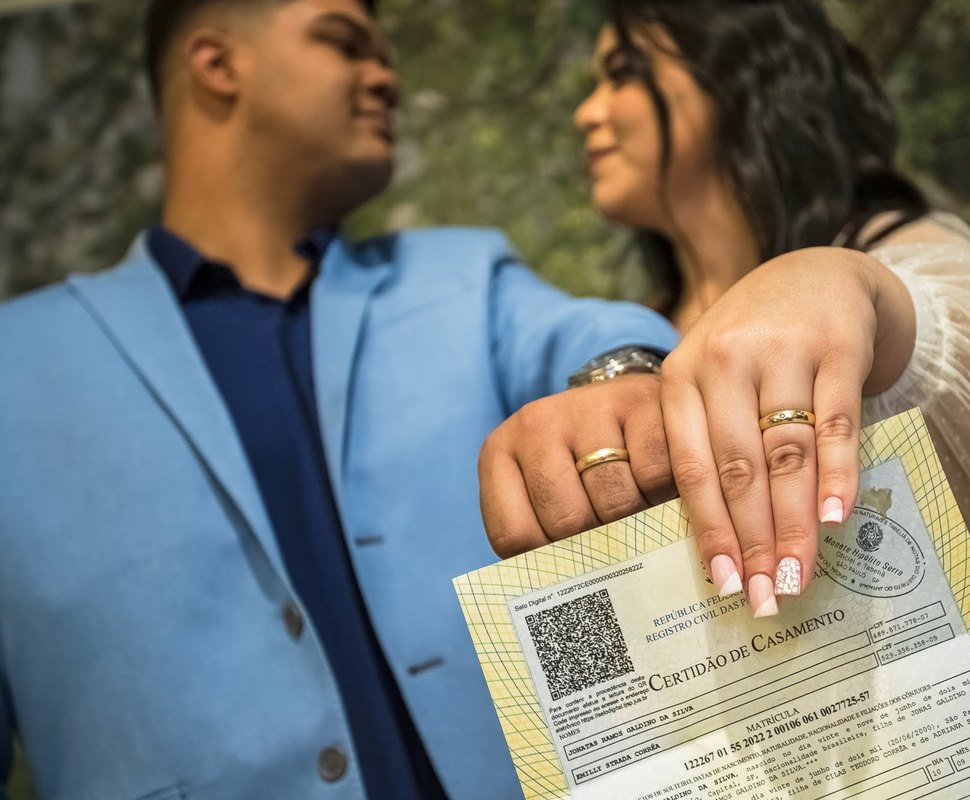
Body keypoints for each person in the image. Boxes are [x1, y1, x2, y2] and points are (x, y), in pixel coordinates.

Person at [479, 0, 970, 795]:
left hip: (937, 748)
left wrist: (869, 297)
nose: (587, 114)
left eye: (621, 73)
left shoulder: (885, 255)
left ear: (736, 75)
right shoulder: (637, 341)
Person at [0, 1, 691, 797]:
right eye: (343, 43)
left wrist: (624, 378)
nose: (385, 77)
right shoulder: (15, 366)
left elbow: (589, 333)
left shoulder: (464, 276)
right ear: (218, 65)